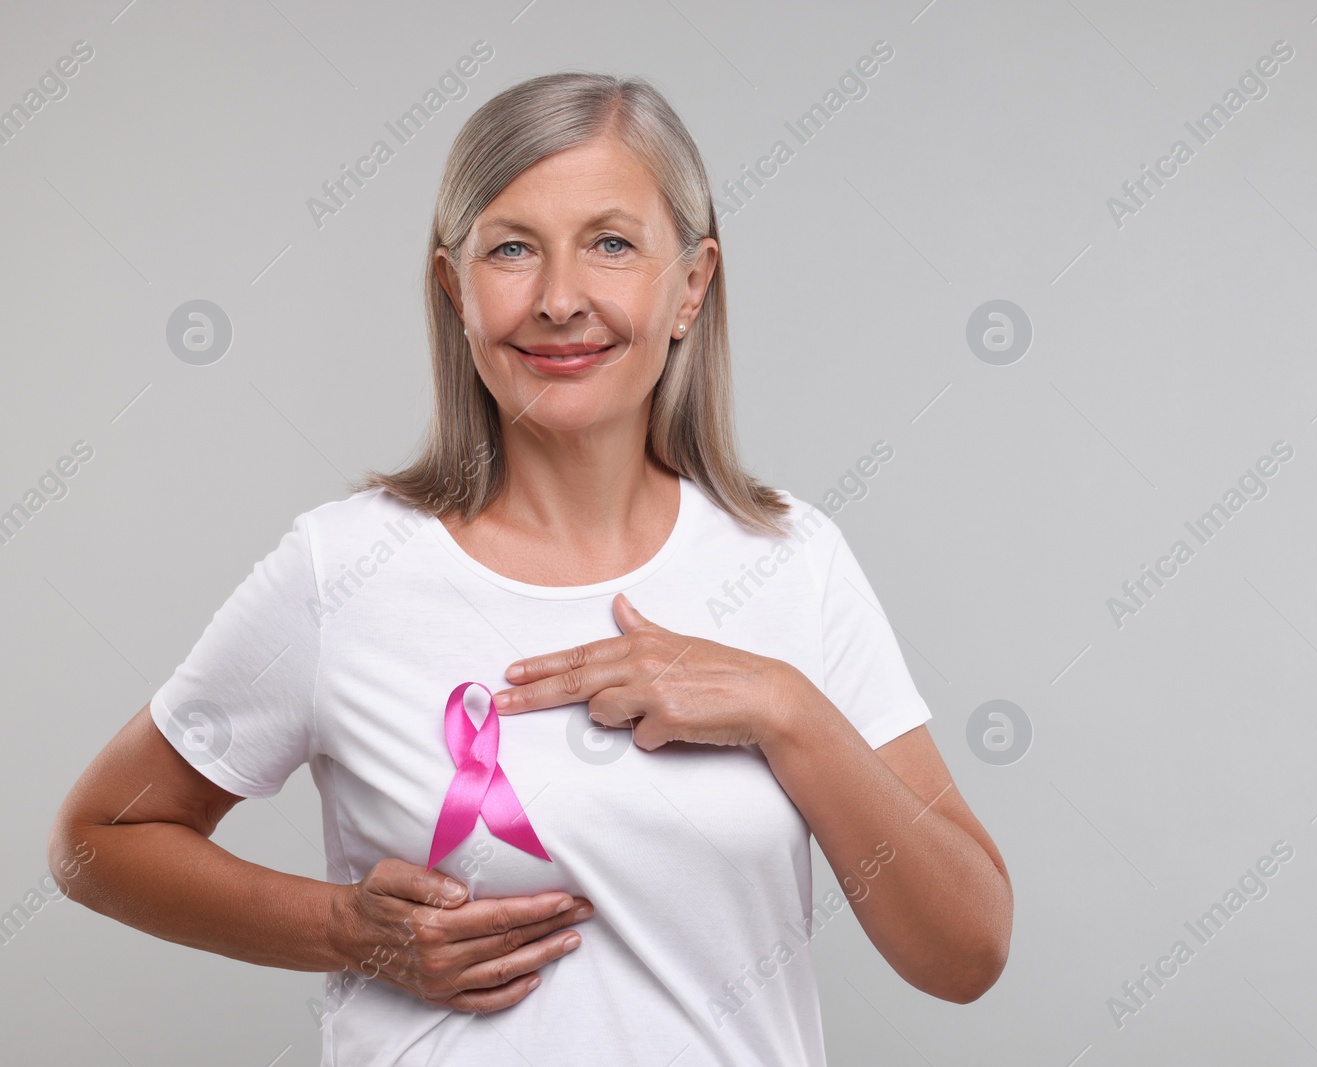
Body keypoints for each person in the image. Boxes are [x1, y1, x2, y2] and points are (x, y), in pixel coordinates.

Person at [48, 71, 1011, 1066]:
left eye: (610, 243)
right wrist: (346, 930)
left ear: (690, 285)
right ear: (454, 291)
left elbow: (966, 949)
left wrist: (784, 707)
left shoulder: (790, 561)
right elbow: (97, 840)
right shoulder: (341, 570)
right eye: (511, 248)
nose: (559, 299)